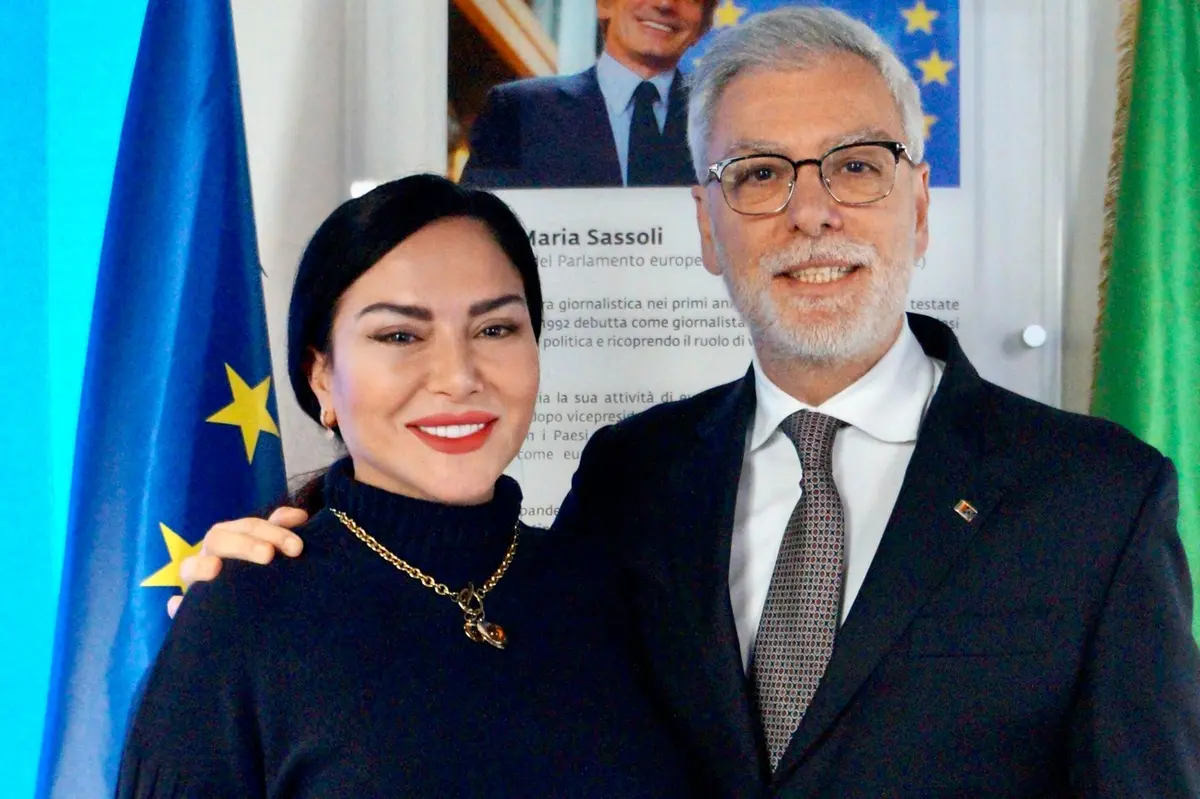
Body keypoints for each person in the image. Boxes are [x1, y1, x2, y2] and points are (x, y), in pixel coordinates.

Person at [183, 7, 1200, 797]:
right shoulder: (634, 476)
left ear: (919, 203)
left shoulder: (1097, 502)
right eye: (758, 174)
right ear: (708, 228)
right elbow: (483, 651)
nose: (812, 212)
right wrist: (292, 551)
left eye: (856, 165)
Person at [118, 175, 697, 796]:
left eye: (495, 329)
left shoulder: (610, 592)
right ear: (320, 377)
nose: (458, 375)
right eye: (400, 336)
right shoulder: (245, 617)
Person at [459, 0, 714, 189]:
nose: (665, 3)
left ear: (703, 27)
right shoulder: (517, 110)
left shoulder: (722, 117)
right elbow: (476, 234)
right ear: (604, 5)